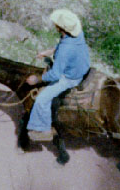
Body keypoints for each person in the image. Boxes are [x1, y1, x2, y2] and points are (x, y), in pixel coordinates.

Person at [22, 8, 90, 145]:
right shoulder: (77, 35)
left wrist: (38, 79)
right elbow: (64, 45)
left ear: (60, 28)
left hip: (70, 78)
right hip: (82, 66)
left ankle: (42, 130)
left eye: (56, 24)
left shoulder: (65, 49)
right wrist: (49, 52)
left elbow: (55, 74)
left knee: (42, 99)